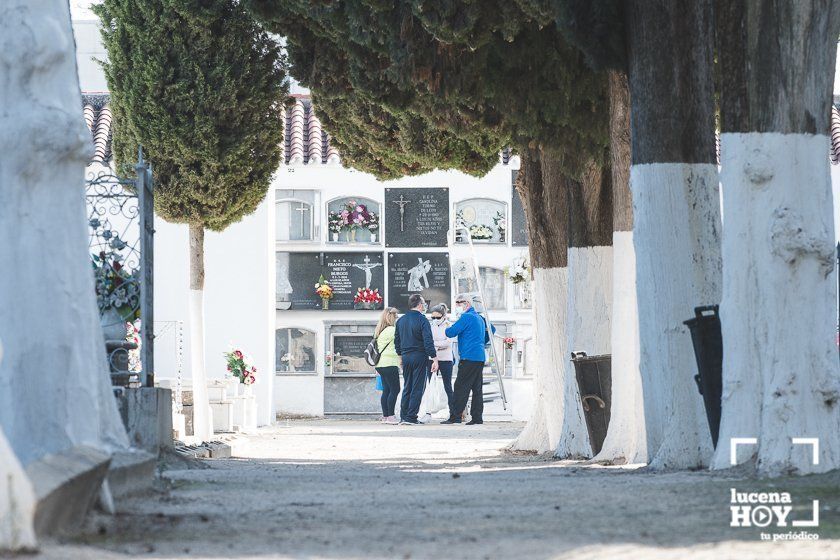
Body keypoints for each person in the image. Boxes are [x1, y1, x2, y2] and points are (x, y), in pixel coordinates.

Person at [442, 294, 495, 425]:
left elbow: (450, 332)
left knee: (460, 386)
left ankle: (455, 416)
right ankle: (477, 417)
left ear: (466, 303)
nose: (456, 306)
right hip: (479, 356)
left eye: (458, 303)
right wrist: (481, 341)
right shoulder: (479, 317)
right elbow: (492, 329)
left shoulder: (466, 317)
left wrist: (447, 325)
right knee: (477, 388)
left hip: (469, 356)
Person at [394, 294, 438, 424]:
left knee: (407, 386)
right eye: (424, 304)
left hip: (406, 356)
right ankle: (411, 417)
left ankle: (404, 415)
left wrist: (400, 356)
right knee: (418, 387)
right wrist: (434, 358)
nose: (424, 306)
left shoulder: (401, 320)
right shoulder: (422, 320)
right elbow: (428, 341)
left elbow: (397, 341)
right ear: (419, 305)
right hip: (419, 356)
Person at [374, 307, 401, 424]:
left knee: (387, 390)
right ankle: (391, 416)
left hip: (380, 364)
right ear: (391, 317)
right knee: (395, 389)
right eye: (396, 317)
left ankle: (385, 416)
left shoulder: (380, 330)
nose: (397, 319)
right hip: (390, 364)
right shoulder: (391, 330)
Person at [429, 304, 455, 407]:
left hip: (446, 359)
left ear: (444, 316)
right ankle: (427, 411)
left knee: (447, 386)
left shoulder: (449, 326)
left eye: (438, 317)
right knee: (429, 385)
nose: (435, 319)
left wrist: (435, 344)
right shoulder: (431, 326)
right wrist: (440, 344)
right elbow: (428, 342)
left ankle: (453, 413)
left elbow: (448, 342)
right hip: (432, 359)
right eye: (433, 317)